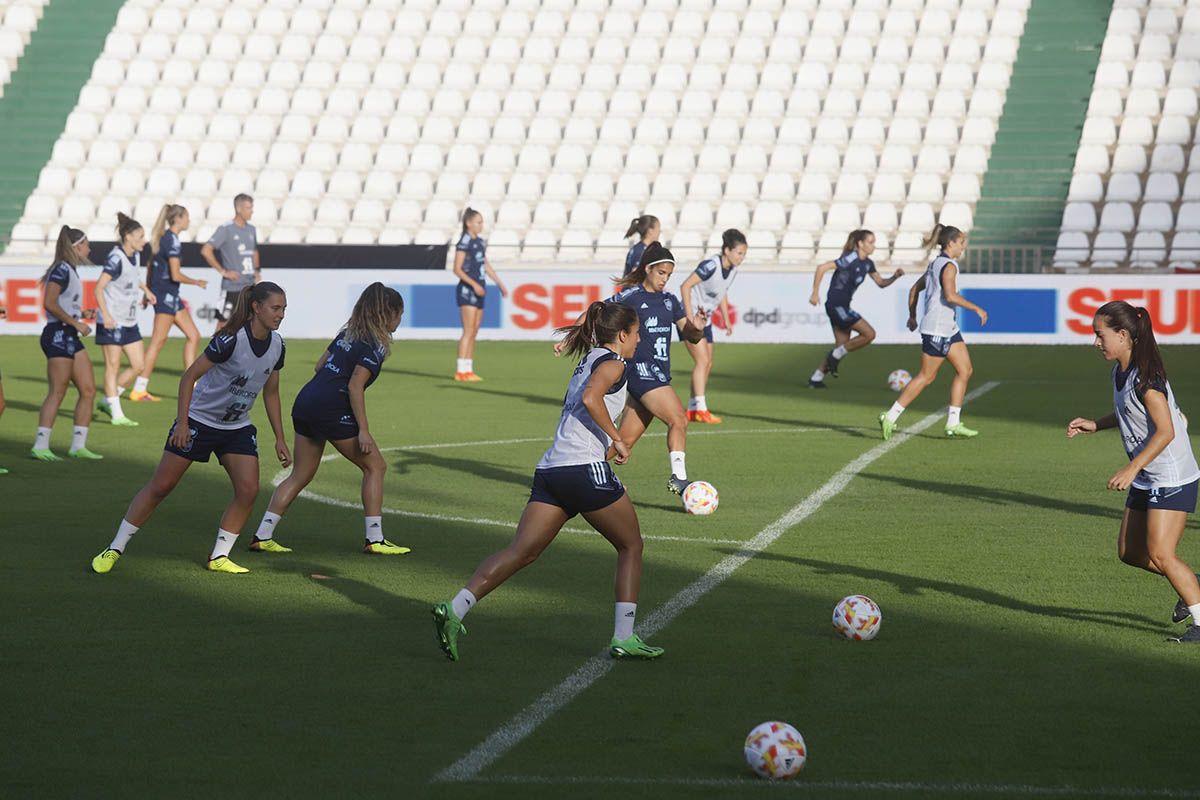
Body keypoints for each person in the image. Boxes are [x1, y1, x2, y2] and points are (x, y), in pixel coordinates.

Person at [433, 301, 664, 661]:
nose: (638, 340)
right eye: (636, 334)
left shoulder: (588, 359)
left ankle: (455, 608)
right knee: (631, 546)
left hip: (552, 471)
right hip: (584, 470)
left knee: (521, 551)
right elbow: (592, 398)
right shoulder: (615, 363)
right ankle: (624, 636)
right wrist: (617, 438)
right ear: (622, 334)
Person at [90, 283, 291, 575]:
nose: (281, 314)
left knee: (248, 490)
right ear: (256, 307)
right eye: (275, 308)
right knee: (161, 486)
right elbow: (189, 378)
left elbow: (271, 393)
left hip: (236, 427)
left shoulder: (278, 345)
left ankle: (219, 557)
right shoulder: (230, 339)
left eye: (284, 308)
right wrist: (183, 424)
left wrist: (280, 439)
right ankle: (115, 548)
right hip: (198, 421)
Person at [1067, 301, 1200, 644]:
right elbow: (1127, 414)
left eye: (1100, 335)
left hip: (1169, 474)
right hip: (1148, 473)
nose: (1095, 342)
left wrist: (1132, 466)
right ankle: (1192, 583)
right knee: (1130, 553)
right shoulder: (1121, 371)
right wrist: (1096, 424)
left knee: (1160, 554)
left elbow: (1166, 431)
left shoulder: (1147, 380)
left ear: (1123, 335)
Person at [249, 283, 411, 555]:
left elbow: (320, 365)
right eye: (399, 313)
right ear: (388, 313)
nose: (400, 319)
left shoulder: (348, 333)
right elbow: (355, 386)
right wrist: (363, 430)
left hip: (307, 400)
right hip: (331, 408)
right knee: (376, 467)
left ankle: (263, 535)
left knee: (300, 475)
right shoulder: (376, 344)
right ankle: (375, 539)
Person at [558, 243, 707, 495]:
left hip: (658, 374)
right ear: (648, 270)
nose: (665, 279)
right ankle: (679, 479)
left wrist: (698, 327)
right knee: (678, 419)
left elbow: (691, 336)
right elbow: (595, 311)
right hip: (641, 372)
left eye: (669, 275)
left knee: (623, 442)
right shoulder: (632, 297)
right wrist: (568, 338)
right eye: (661, 273)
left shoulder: (670, 301)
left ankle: (573, 473)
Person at [878, 224, 987, 441]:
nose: (963, 246)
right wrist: (976, 308)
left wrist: (912, 316)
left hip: (948, 328)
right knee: (927, 376)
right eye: (961, 242)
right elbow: (950, 296)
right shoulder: (948, 266)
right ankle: (890, 416)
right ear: (951, 243)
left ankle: (953, 423)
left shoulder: (935, 264)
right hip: (937, 329)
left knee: (965, 370)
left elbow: (913, 290)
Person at [32, 226, 102, 461]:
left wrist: (81, 315)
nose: (89, 248)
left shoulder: (69, 269)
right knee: (58, 391)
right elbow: (50, 303)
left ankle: (78, 445)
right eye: (86, 244)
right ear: (76, 246)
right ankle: (41, 445)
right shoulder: (62, 269)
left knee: (88, 390)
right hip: (58, 334)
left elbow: (61, 303)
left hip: (69, 333)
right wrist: (77, 322)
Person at [808, 229, 905, 389]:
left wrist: (895, 277)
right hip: (836, 304)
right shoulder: (850, 258)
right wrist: (815, 292)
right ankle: (834, 356)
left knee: (841, 345)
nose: (874, 246)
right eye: (871, 242)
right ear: (860, 243)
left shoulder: (868, 263)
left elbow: (880, 283)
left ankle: (815, 379)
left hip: (843, 306)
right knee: (869, 334)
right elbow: (821, 268)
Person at [131, 204, 207, 402]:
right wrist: (196, 282)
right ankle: (139, 389)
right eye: (187, 216)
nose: (189, 220)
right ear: (179, 218)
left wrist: (148, 291)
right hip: (166, 295)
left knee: (193, 335)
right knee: (158, 342)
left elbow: (150, 266)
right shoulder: (171, 240)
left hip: (169, 295)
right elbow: (175, 273)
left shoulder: (164, 237)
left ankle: (193, 386)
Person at [94, 213, 156, 426]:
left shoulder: (134, 255)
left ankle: (107, 400)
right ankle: (116, 414)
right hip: (112, 321)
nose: (144, 240)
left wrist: (146, 290)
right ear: (128, 236)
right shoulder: (115, 258)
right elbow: (98, 288)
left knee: (139, 365)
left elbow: (133, 277)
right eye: (140, 236)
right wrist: (107, 316)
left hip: (129, 320)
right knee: (112, 366)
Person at [678, 228, 746, 423]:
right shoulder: (710, 265)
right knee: (702, 361)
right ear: (727, 250)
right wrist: (689, 318)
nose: (741, 257)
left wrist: (725, 318)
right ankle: (701, 408)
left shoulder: (732, 271)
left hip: (704, 318)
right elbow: (685, 286)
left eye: (743, 254)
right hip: (689, 316)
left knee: (708, 362)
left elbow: (722, 292)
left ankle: (692, 409)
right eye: (739, 253)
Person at [452, 207, 507, 381]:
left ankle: (468, 369)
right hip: (468, 290)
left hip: (480, 290)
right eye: (479, 222)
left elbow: (485, 264)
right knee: (468, 330)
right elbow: (457, 269)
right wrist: (474, 284)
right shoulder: (464, 241)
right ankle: (460, 370)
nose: (481, 225)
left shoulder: (479, 242)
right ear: (468, 223)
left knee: (474, 330)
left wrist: (499, 282)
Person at [202, 193, 260, 323]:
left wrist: (257, 270)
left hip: (249, 286)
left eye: (252, 208)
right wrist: (224, 272)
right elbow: (206, 250)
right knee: (223, 324)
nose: (252, 211)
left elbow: (255, 251)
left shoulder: (252, 230)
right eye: (249, 208)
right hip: (232, 287)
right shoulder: (226, 229)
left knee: (250, 324)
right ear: (239, 209)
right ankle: (216, 344)